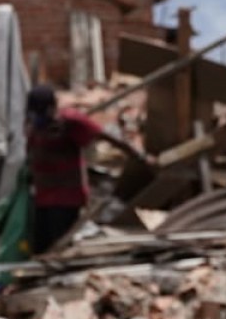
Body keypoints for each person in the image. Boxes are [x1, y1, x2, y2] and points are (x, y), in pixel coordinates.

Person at [25, 85, 141, 255]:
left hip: (66, 198)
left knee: (60, 246)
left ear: (52, 108)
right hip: (42, 197)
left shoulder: (69, 122)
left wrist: (137, 155)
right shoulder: (34, 126)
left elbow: (104, 136)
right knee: (40, 247)